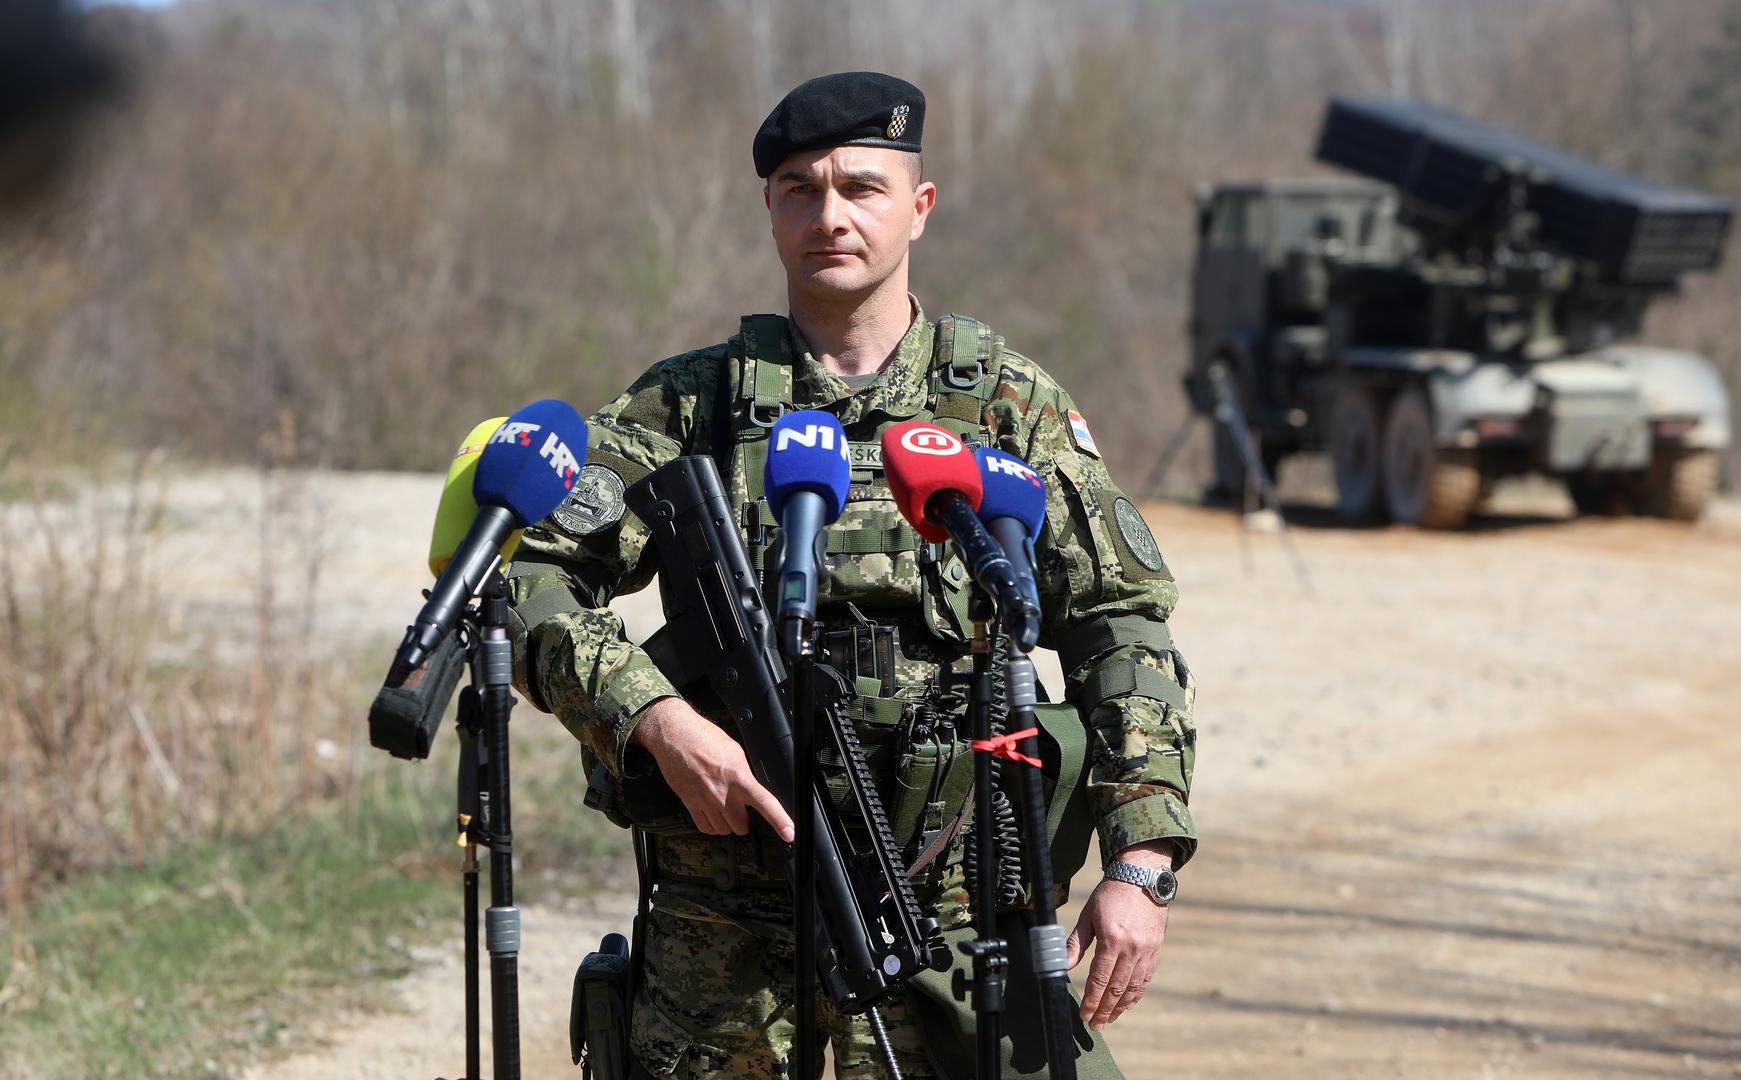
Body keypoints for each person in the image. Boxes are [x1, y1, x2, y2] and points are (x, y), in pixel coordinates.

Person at [507, 71, 1197, 1080]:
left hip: (959, 898)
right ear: (770, 210)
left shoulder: (1006, 405)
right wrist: (654, 718)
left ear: (918, 207)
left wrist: (1144, 863)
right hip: (726, 911)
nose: (829, 215)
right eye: (800, 189)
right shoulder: (689, 407)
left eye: (860, 188)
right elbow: (528, 578)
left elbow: (1120, 621)